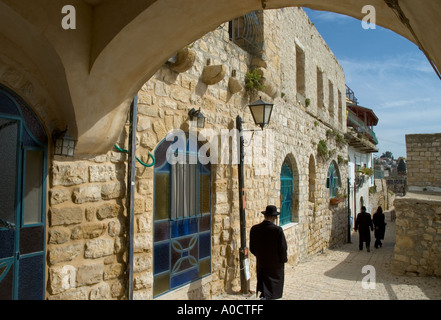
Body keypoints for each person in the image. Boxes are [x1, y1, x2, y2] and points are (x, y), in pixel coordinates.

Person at [250, 205, 288, 300]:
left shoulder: (254, 229)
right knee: (273, 290)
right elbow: (283, 248)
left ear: (265, 216)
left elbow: (252, 248)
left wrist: (260, 255)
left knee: (264, 285)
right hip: (275, 266)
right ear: (274, 217)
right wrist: (283, 260)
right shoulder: (277, 230)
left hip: (262, 263)